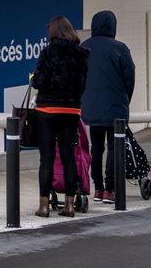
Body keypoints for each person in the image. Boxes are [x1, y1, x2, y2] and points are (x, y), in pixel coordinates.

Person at [31, 15, 90, 217]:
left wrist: (34, 78)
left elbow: (38, 81)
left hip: (47, 111)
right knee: (68, 158)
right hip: (71, 111)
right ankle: (70, 206)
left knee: (46, 159)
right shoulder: (81, 54)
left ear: (54, 32)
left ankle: (44, 206)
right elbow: (82, 86)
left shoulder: (48, 52)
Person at [81, 10, 135, 203]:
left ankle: (98, 188)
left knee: (96, 147)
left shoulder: (84, 47)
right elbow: (130, 78)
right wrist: (125, 100)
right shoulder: (120, 48)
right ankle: (110, 189)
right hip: (115, 107)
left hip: (91, 107)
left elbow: (79, 77)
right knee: (114, 147)